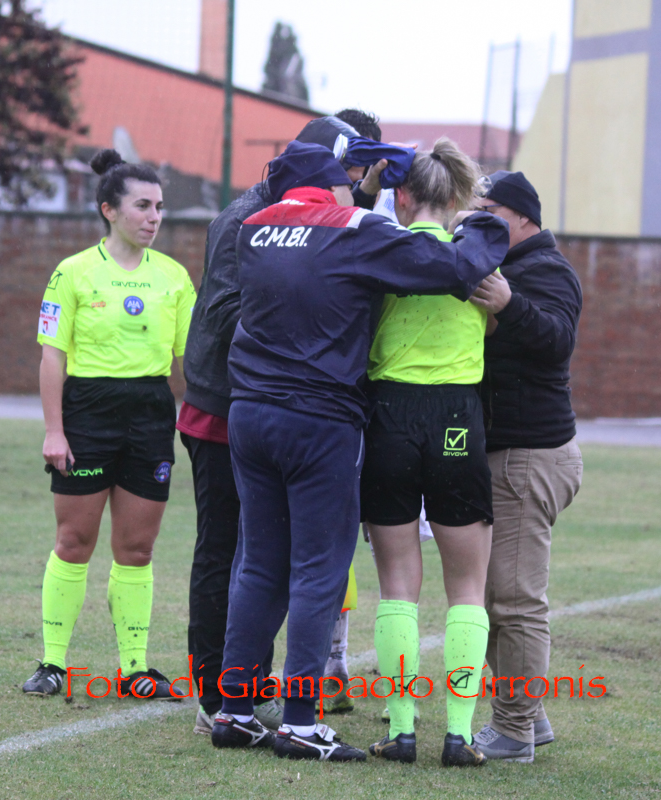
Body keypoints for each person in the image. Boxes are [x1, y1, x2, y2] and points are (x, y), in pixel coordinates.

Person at [207, 141, 508, 763]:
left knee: (258, 565)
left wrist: (369, 193)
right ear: (334, 185)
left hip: (250, 411)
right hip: (321, 417)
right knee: (319, 569)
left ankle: (234, 710)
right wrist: (485, 226)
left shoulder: (253, 228)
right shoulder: (356, 229)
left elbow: (317, 250)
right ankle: (300, 720)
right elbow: (449, 267)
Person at [178, 112, 386, 735]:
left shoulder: (299, 216)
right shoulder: (246, 221)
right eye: (346, 173)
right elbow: (226, 311)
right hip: (226, 405)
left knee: (266, 555)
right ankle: (216, 693)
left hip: (260, 399)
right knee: (229, 552)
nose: (349, 185)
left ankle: (248, 690)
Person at [22, 149, 196, 699]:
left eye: (159, 207)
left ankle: (134, 669)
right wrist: (55, 430)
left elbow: (192, 358)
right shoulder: (72, 272)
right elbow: (52, 356)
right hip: (88, 413)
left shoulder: (173, 277)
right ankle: (53, 663)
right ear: (109, 210)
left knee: (137, 549)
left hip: (150, 413)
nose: (153, 217)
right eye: (142, 206)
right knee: (74, 540)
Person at [360, 138, 493, 767]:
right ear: (457, 195)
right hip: (457, 416)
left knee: (397, 584)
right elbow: (498, 322)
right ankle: (460, 735)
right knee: (467, 586)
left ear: (403, 195)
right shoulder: (480, 261)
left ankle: (402, 729)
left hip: (391, 411)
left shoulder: (382, 253)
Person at [467, 171, 584, 762]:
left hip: (528, 456)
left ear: (520, 217)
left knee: (513, 600)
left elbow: (558, 339)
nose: (476, 220)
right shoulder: (503, 263)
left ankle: (513, 729)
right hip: (511, 454)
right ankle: (530, 717)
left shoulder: (546, 269)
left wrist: (510, 305)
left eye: (486, 210)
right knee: (492, 598)